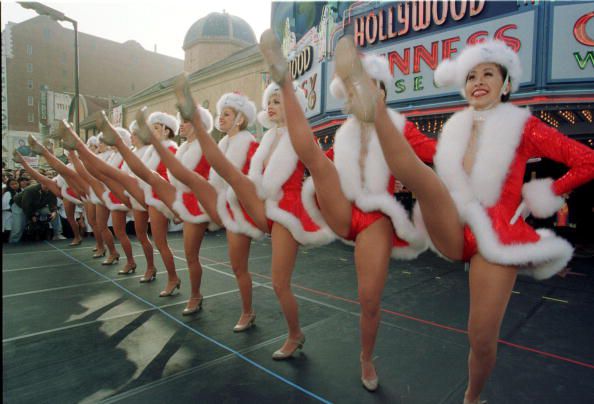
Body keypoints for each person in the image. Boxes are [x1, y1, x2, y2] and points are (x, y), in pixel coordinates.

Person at [331, 38, 594, 403]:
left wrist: (544, 195)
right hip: (453, 223)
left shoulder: (524, 126)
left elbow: (587, 161)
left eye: (488, 73)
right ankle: (374, 107)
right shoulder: (454, 128)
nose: (479, 80)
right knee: (427, 182)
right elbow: (426, 162)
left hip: (496, 236)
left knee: (481, 338)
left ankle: (472, 396)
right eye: (471, 75)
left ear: (506, 84)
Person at [259, 30, 436, 391]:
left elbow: (438, 158)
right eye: (357, 87)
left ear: (383, 93)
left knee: (369, 299)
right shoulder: (343, 133)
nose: (364, 95)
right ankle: (285, 81)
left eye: (371, 87)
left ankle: (366, 358)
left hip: (376, 217)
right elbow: (315, 160)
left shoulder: (403, 129)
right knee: (316, 160)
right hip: (341, 206)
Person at [174, 74, 334, 355]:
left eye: (278, 100)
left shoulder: (300, 135)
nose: (270, 105)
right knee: (237, 260)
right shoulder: (269, 137)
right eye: (269, 101)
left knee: (278, 282)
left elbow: (321, 166)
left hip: (286, 209)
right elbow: (251, 180)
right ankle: (246, 312)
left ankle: (295, 335)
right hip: (258, 204)